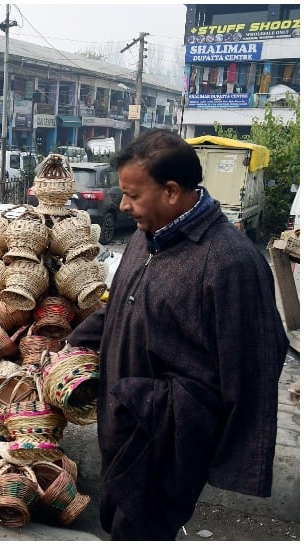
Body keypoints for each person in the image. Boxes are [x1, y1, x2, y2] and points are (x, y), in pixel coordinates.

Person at [65, 129, 287, 540]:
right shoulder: (145, 238)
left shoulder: (230, 262)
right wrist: (69, 346)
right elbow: (120, 309)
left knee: (141, 527)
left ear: (171, 191)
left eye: (132, 195)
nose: (124, 205)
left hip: (168, 438)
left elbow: (255, 365)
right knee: (117, 517)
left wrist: (182, 415)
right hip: (124, 422)